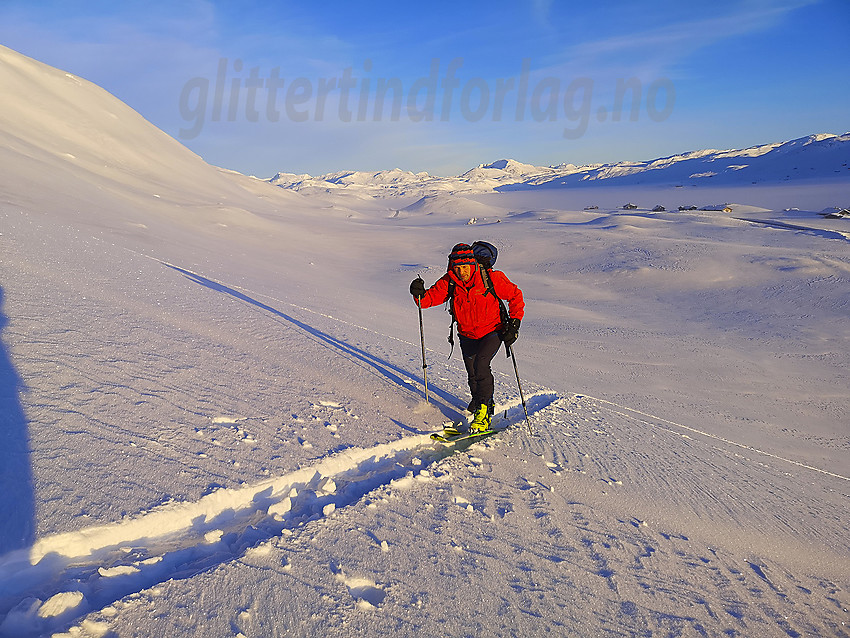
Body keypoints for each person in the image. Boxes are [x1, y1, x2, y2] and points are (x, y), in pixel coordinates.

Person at [410, 243, 524, 433]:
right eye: (458, 267)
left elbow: (515, 296)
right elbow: (429, 300)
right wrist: (418, 294)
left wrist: (514, 323)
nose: (462, 271)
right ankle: (480, 399)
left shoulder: (491, 278)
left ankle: (484, 411)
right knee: (472, 373)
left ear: (473, 264)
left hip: (492, 331)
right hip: (466, 334)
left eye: (465, 267)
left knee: (481, 365)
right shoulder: (450, 281)